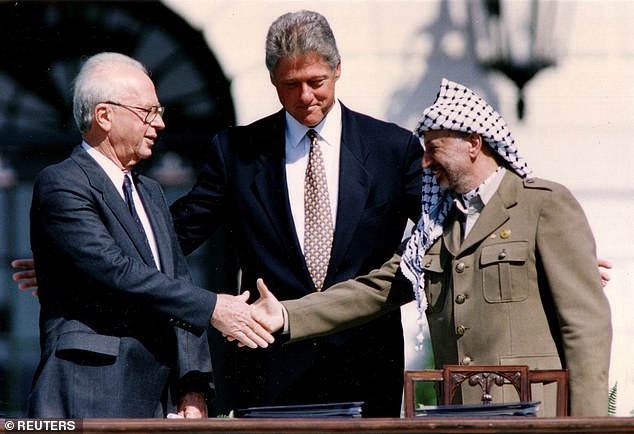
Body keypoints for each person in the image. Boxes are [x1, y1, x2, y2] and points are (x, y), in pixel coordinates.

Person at [13, 10, 421, 417]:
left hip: (366, 363)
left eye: (316, 82)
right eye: (290, 85)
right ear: (273, 80)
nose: (305, 97)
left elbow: (433, 241)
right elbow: (176, 234)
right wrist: (74, 258)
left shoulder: (392, 149)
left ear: (336, 70)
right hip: (269, 365)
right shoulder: (238, 151)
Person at [252, 78, 613, 417]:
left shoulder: (542, 206)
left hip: (534, 416)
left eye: (434, 149)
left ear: (474, 143)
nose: (424, 163)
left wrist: (586, 424)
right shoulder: (437, 228)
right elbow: (372, 290)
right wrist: (285, 315)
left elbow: (585, 328)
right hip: (459, 416)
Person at [26, 52, 273, 418]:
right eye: (148, 112)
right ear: (105, 116)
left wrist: (193, 387)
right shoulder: (62, 182)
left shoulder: (152, 193)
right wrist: (214, 306)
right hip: (88, 394)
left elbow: (174, 280)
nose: (158, 124)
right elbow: (116, 270)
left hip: (156, 403)